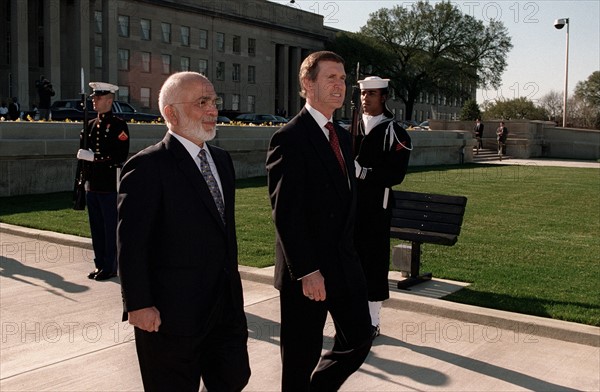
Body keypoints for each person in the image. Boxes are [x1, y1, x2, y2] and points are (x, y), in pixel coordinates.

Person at [117, 72, 250, 391]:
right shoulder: (147, 167)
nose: (213, 109)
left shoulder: (222, 161)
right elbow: (132, 244)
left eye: (214, 101)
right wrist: (138, 304)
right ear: (170, 113)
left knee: (234, 379)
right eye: (202, 102)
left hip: (224, 310)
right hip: (171, 316)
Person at [266, 51, 373, 391]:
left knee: (359, 337)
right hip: (307, 272)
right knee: (300, 358)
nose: (340, 85)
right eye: (331, 78)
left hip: (342, 265)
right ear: (307, 84)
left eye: (343, 79)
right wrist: (308, 270)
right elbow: (286, 212)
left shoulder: (342, 136)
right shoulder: (290, 137)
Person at [353, 76, 412, 338]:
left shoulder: (395, 132)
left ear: (384, 97)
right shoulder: (350, 127)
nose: (366, 99)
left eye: (372, 94)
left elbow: (395, 174)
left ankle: (373, 320)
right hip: (350, 207)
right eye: (364, 94)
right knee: (349, 262)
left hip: (376, 208)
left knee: (373, 264)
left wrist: (363, 172)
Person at [76, 82, 129, 281]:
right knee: (96, 227)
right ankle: (100, 264)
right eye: (93, 98)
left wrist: (94, 158)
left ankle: (110, 266)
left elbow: (119, 155)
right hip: (93, 184)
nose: (94, 101)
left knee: (109, 228)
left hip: (109, 184)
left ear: (109, 100)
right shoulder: (89, 125)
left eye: (97, 98)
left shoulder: (118, 125)